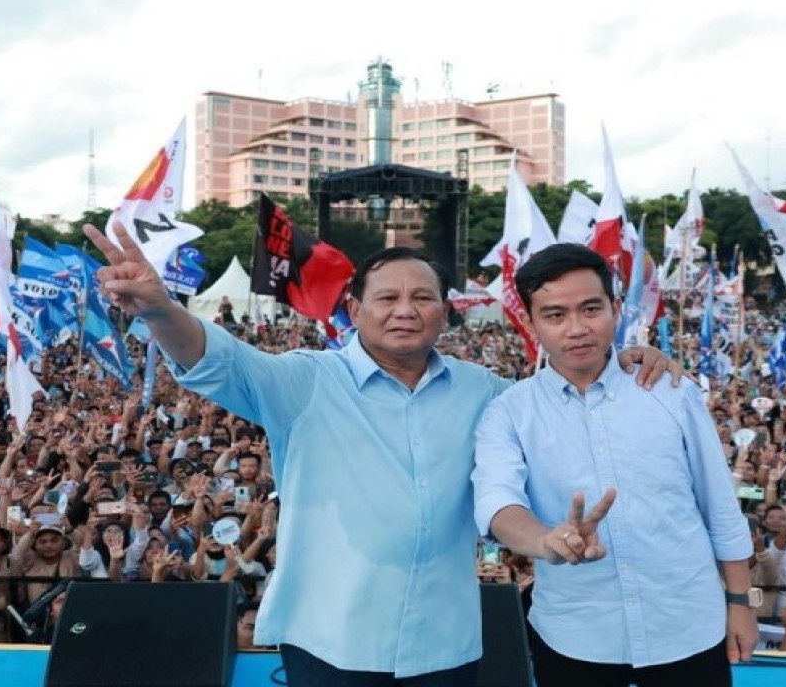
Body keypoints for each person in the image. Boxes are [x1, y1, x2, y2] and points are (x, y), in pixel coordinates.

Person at [83, 222, 677, 685]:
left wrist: (631, 360)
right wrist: (160, 309)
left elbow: (562, 399)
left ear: (446, 312)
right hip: (331, 637)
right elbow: (217, 357)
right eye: (387, 297)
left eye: (422, 297)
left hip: (443, 640)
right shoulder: (305, 381)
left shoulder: (487, 392)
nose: (405, 309)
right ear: (354, 309)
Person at [472, 243, 756, 687]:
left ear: (616, 308)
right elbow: (497, 503)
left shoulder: (670, 391)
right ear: (529, 322)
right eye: (555, 315)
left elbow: (719, 503)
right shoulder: (508, 412)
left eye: (591, 309)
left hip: (687, 625)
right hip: (576, 634)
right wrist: (547, 541)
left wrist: (740, 600)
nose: (577, 328)